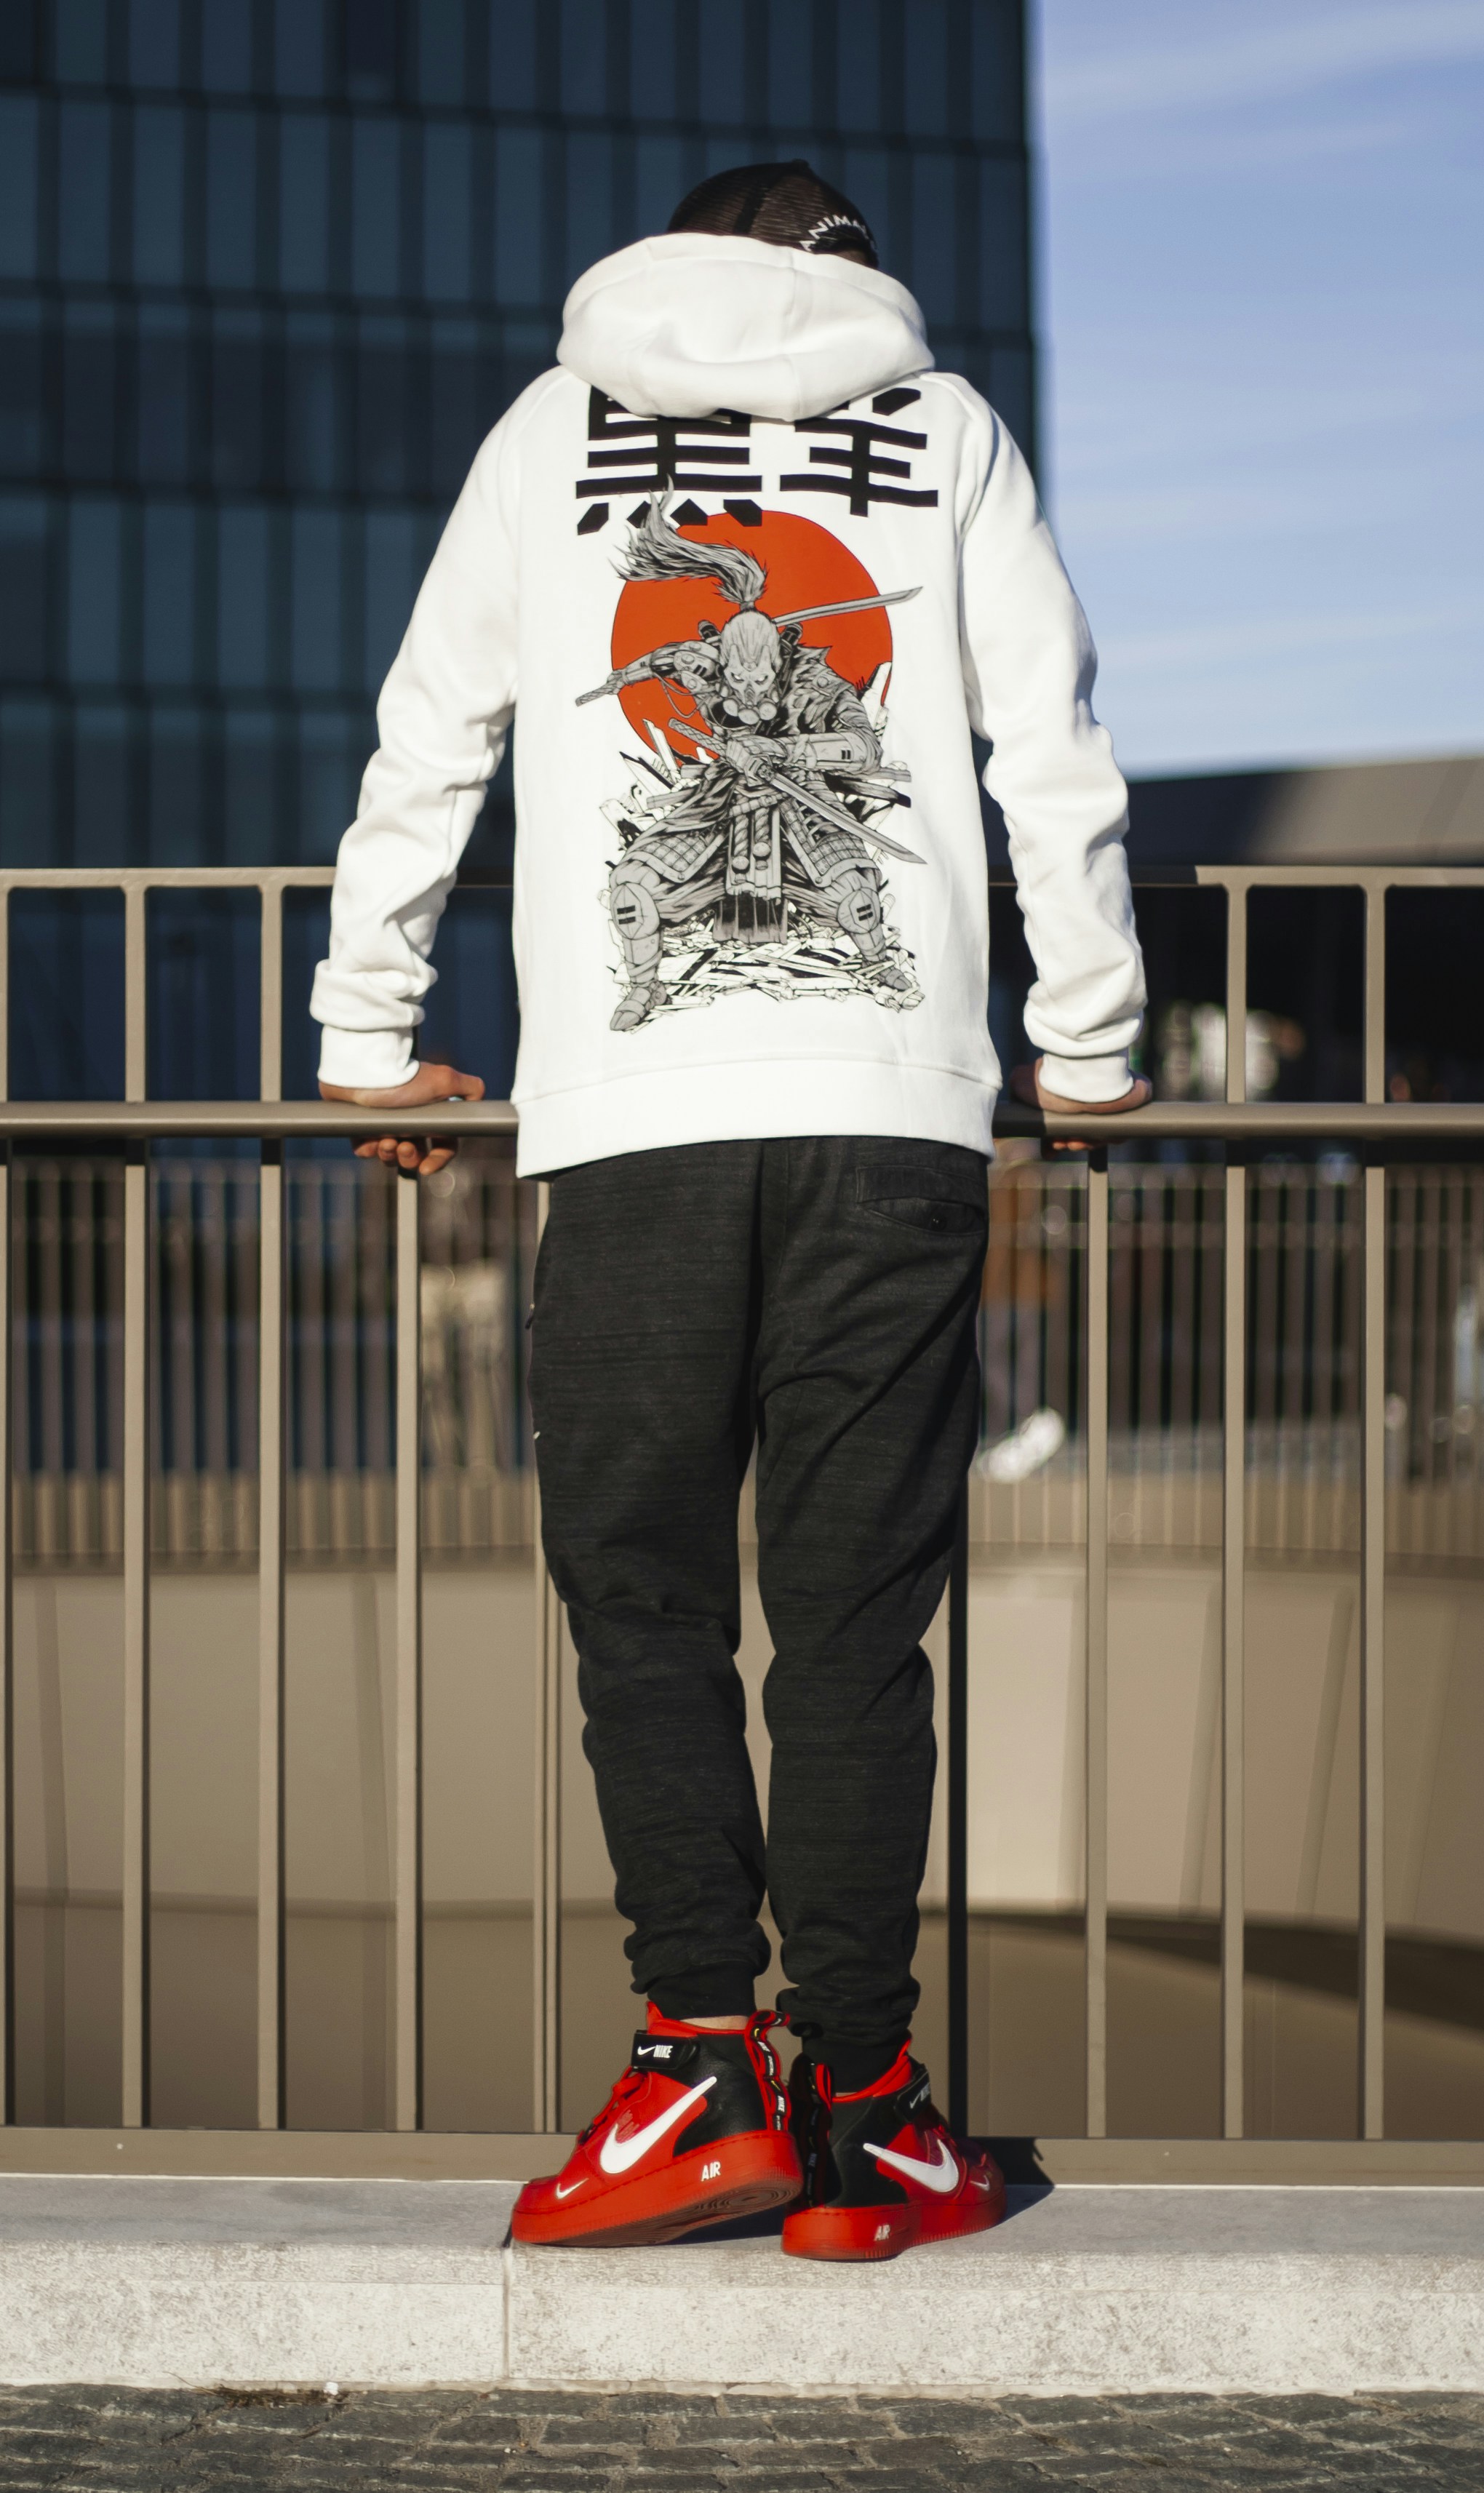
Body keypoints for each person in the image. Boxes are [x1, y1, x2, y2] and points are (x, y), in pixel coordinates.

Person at [314, 161, 1149, 2260]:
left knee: (646, 1597)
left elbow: (437, 737)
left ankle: (700, 2067)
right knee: (860, 1618)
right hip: (893, 1114)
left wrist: (365, 1034)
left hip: (629, 1121)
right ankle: (869, 2118)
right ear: (846, 277)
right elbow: (1044, 744)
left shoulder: (550, 427)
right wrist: (1098, 1039)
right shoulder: (942, 429)